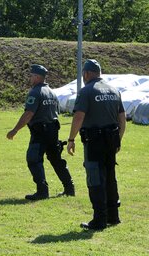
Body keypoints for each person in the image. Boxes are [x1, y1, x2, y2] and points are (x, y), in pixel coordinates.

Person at [67, 59, 126, 230]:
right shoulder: (114, 90)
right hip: (111, 140)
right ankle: (113, 216)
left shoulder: (86, 91)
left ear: (86, 73)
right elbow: (122, 118)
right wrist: (118, 139)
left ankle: (99, 219)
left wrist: (71, 139)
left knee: (95, 179)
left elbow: (79, 116)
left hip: (94, 141)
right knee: (110, 177)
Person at [7, 64, 75, 200]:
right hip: (53, 130)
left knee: (33, 159)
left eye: (32, 76)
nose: (30, 78)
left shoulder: (35, 92)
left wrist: (14, 130)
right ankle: (69, 188)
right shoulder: (52, 92)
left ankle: (42, 191)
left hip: (40, 132)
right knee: (56, 160)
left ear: (37, 77)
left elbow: (29, 113)